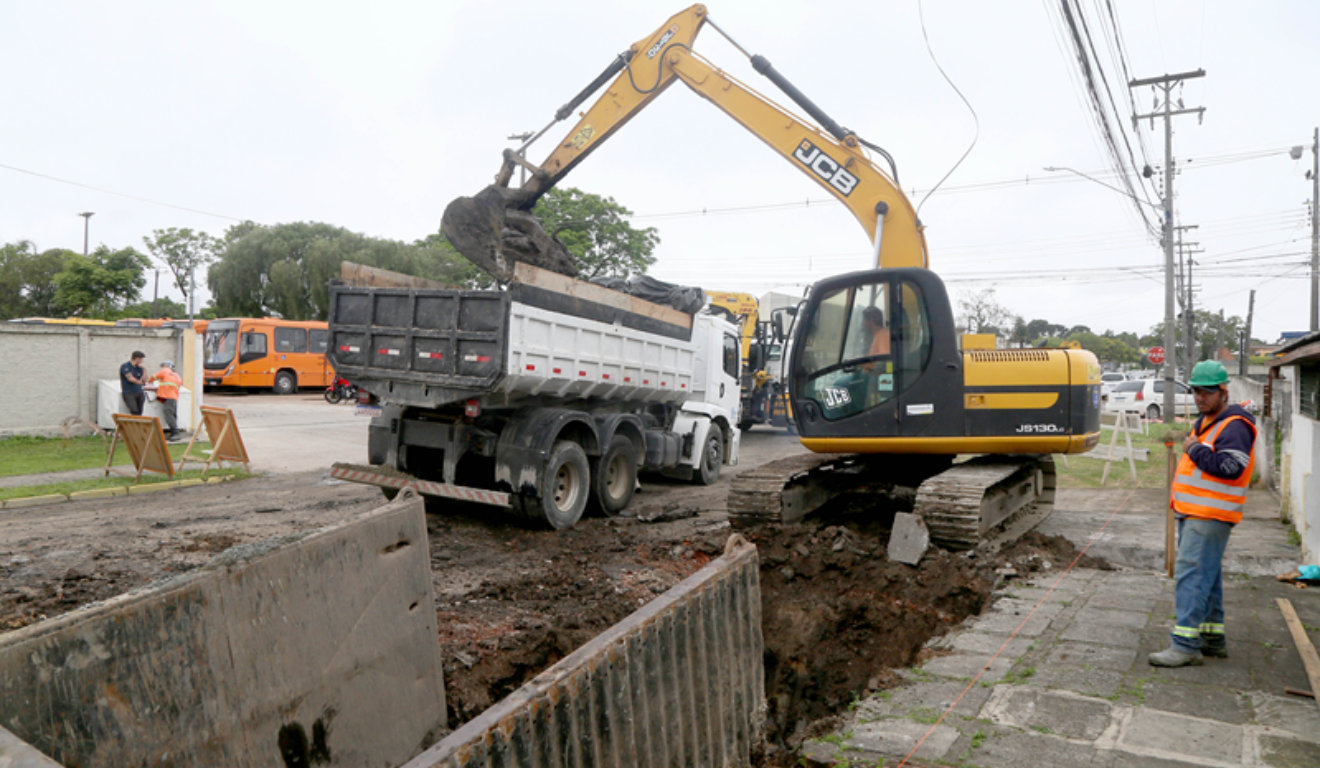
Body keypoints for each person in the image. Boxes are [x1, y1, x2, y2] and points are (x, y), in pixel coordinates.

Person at [1149, 360, 1258, 668]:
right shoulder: (1209, 420)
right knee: (1206, 576)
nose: (1200, 397)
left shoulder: (1235, 425)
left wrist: (1193, 449)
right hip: (1197, 511)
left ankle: (1184, 645)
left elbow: (1230, 466)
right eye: (1196, 391)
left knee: (1192, 575)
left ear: (1224, 392)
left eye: (1207, 392)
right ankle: (1212, 637)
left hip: (1209, 514)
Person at [149, 360, 183, 440]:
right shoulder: (177, 376)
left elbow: (153, 377)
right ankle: (173, 433)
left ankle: (175, 433)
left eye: (163, 366)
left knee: (169, 415)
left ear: (167, 366)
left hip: (168, 396)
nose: (162, 368)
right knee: (173, 415)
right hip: (174, 397)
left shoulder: (165, 371)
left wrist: (149, 382)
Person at [119, 351, 147, 416]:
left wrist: (145, 369)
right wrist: (139, 382)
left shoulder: (139, 368)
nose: (141, 361)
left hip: (139, 391)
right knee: (134, 410)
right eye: (141, 359)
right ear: (137, 359)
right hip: (129, 392)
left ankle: (138, 425)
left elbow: (144, 379)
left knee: (140, 411)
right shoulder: (125, 366)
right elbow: (130, 378)